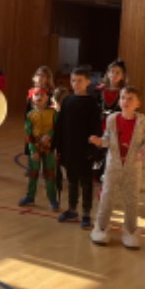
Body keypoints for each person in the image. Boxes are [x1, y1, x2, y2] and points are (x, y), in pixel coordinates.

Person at [89, 86, 145, 249]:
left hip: (133, 167)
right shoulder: (112, 119)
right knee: (107, 197)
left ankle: (130, 230)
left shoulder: (142, 121)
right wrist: (99, 142)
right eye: (123, 98)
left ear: (138, 103)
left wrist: (142, 150)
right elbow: (107, 140)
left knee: (132, 200)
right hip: (113, 166)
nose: (126, 101)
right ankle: (101, 227)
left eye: (130, 98)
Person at [55, 66, 101, 228]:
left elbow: (96, 128)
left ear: (88, 82)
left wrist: (93, 150)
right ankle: (72, 209)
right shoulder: (67, 101)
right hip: (69, 149)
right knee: (72, 180)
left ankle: (86, 213)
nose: (75, 84)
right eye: (73, 80)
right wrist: (58, 146)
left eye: (79, 81)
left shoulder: (92, 103)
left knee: (86, 182)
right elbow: (60, 126)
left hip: (85, 150)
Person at [19, 86, 58, 210]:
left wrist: (49, 135)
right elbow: (28, 134)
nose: (39, 97)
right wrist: (32, 151)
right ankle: (30, 197)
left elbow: (57, 128)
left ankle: (53, 200)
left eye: (42, 95)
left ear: (47, 98)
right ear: (32, 98)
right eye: (36, 95)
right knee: (33, 174)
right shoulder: (30, 115)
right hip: (35, 148)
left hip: (48, 148)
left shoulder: (53, 113)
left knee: (50, 174)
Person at [93, 59, 127, 182]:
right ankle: (97, 173)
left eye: (118, 72)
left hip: (116, 126)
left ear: (122, 76)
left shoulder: (124, 92)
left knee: (113, 150)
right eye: (112, 71)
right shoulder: (99, 91)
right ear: (107, 73)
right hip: (100, 125)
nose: (114, 74)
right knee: (98, 149)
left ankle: (110, 174)